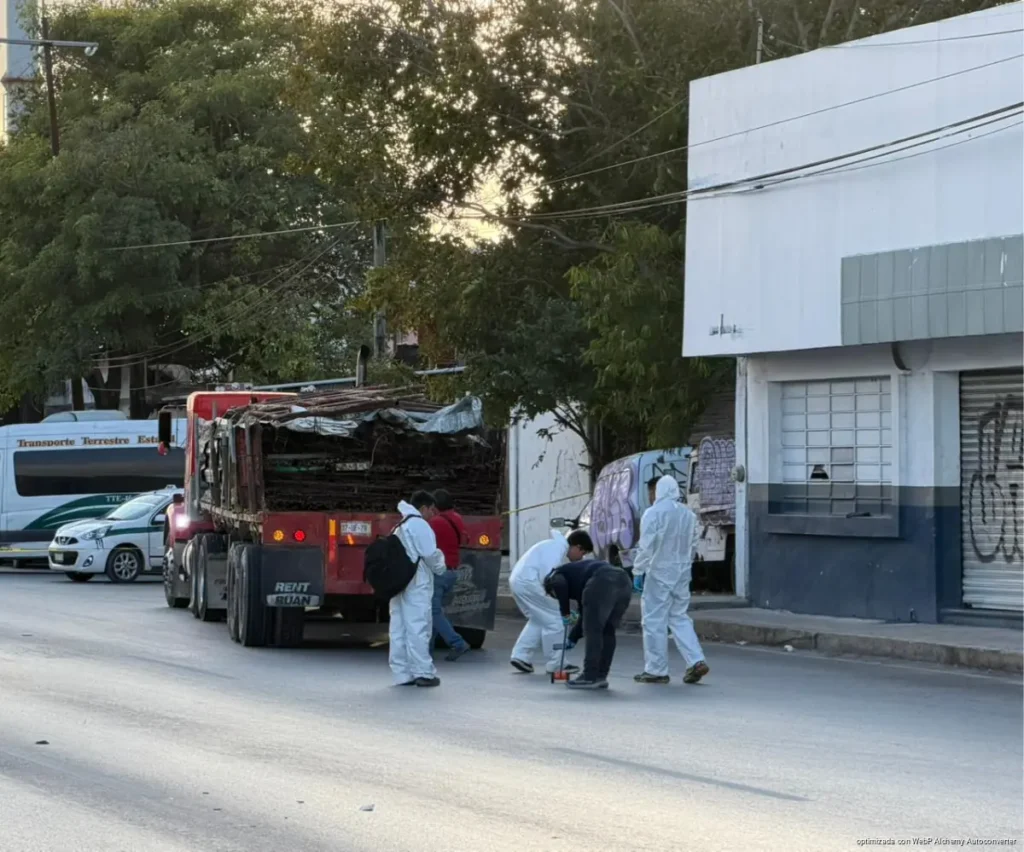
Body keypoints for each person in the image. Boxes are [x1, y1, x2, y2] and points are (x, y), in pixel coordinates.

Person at [632, 475, 710, 686]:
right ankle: (696, 660)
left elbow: (647, 546)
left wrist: (638, 570)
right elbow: (694, 545)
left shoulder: (653, 513)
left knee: (654, 620)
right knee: (679, 617)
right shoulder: (688, 514)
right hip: (682, 572)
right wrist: (685, 566)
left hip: (658, 573)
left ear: (657, 491)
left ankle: (656, 670)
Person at [508, 529, 593, 675]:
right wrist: (562, 605)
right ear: (577, 547)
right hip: (530, 584)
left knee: (539, 618)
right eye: (583, 553)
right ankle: (556, 663)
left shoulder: (553, 546)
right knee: (556, 619)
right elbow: (549, 579)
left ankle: (521, 656)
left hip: (520, 582)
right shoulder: (556, 549)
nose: (581, 558)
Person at [543, 559, 632, 690]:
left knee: (593, 631)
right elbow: (585, 616)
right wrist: (572, 639)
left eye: (553, 595)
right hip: (623, 581)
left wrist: (565, 612)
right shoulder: (579, 578)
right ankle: (600, 676)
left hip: (602, 581)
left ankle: (589, 676)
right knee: (607, 629)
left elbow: (559, 584)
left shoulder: (555, 575)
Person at [390, 491, 447, 687]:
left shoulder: (400, 525)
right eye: (432, 510)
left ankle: (402, 673)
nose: (433, 514)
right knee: (418, 626)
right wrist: (441, 567)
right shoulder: (419, 525)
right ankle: (423, 672)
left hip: (399, 581)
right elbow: (430, 554)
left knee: (399, 628)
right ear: (423, 508)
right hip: (417, 582)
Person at [428, 488, 471, 662]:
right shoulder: (457, 518)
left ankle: (457, 642)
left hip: (439, 572)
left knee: (433, 611)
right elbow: (465, 540)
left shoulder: (435, 522)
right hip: (452, 571)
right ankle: (427, 650)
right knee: (434, 611)